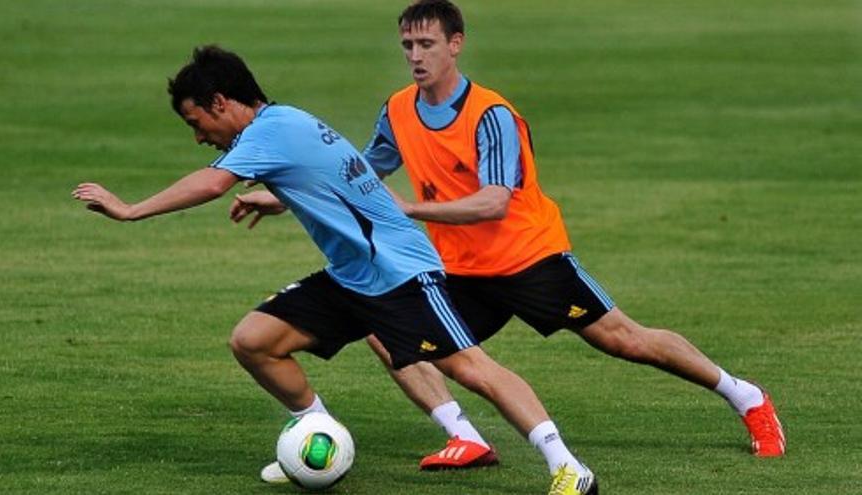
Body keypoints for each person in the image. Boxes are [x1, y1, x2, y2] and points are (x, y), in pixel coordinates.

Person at [233, 1, 784, 489]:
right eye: (407, 45)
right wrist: (284, 199)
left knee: (624, 340)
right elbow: (358, 173)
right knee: (385, 328)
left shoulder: (489, 115)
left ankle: (745, 396)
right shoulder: (399, 109)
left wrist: (409, 209)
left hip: (529, 258)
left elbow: (492, 203)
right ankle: (464, 435)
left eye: (427, 44)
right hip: (456, 268)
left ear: (456, 44)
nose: (416, 56)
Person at [72, 45, 598, 495]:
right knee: (254, 340)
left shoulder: (270, 129)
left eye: (197, 123)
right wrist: (284, 198)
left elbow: (211, 185)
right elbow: (338, 176)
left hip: (399, 272)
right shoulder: (284, 124)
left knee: (471, 368)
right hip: (352, 276)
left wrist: (129, 209)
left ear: (220, 103)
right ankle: (316, 433)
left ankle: (568, 468)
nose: (199, 136)